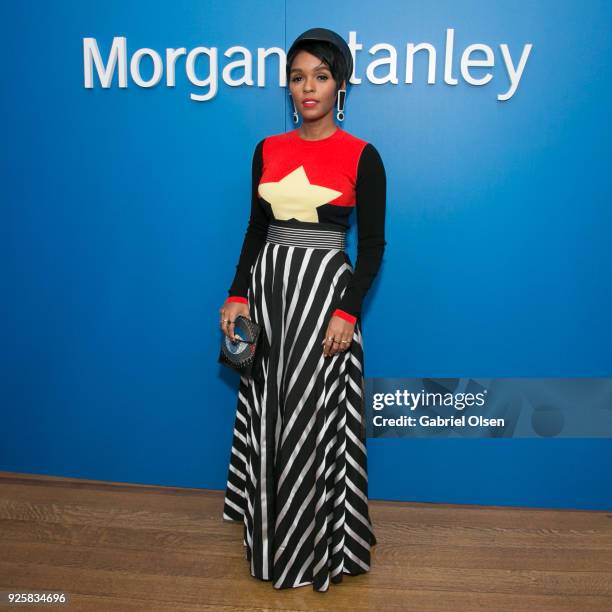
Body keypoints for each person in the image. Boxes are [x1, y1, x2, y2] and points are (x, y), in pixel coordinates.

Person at [219, 27, 386, 592]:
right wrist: (236, 293)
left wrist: (348, 311)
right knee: (270, 412)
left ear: (340, 83)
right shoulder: (267, 149)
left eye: (320, 75)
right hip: (269, 297)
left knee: (317, 419)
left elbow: (374, 247)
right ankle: (270, 538)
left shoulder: (363, 156)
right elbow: (254, 228)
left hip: (324, 303)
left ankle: (320, 547)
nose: (307, 87)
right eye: (297, 77)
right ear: (287, 86)